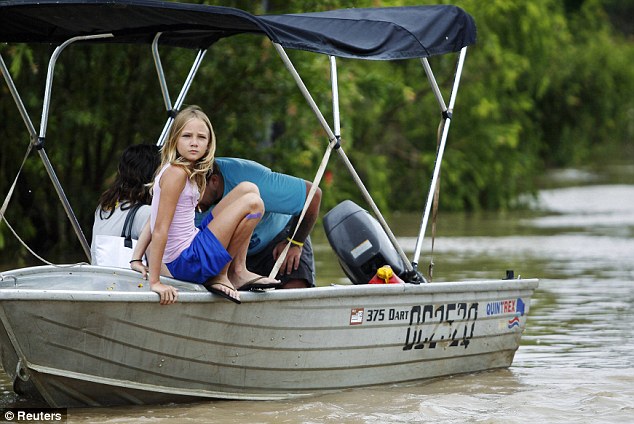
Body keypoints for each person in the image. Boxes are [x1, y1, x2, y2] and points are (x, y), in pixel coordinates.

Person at [129, 105, 280, 305]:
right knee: (254, 204)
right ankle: (223, 274)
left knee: (248, 188)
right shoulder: (177, 173)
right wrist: (156, 281)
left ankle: (239, 269)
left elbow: (153, 215)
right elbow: (159, 228)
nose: (194, 143)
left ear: (209, 144)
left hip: (192, 246)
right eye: (187, 136)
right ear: (174, 140)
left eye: (201, 138)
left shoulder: (181, 170)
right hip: (185, 262)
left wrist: (136, 258)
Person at [196, 157, 321, 289]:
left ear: (214, 181)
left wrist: (295, 243)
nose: (190, 198)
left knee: (295, 281)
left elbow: (313, 196)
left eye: (196, 190)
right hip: (230, 251)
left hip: (276, 237)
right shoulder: (179, 190)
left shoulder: (249, 177)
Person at [91, 144, 160, 265]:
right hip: (131, 283)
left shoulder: (104, 208)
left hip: (101, 281)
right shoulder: (147, 213)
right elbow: (161, 269)